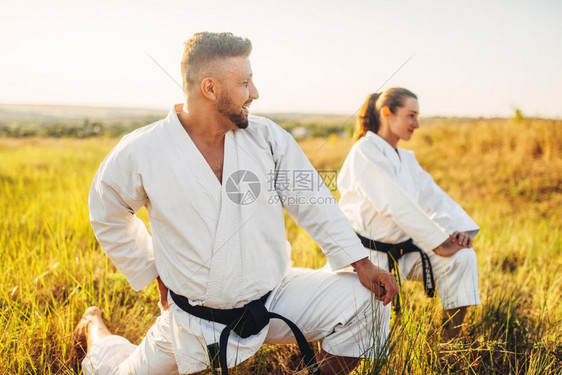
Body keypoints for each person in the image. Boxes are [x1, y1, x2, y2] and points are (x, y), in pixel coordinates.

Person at [74, 32, 399, 375]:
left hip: (274, 297)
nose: (255, 93)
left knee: (368, 303)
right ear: (210, 88)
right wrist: (152, 268)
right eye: (245, 83)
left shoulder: (267, 138)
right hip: (194, 322)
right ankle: (95, 331)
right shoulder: (143, 150)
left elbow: (312, 200)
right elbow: (107, 213)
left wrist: (360, 262)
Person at [337, 88, 480, 340]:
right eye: (411, 115)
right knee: (366, 333)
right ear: (387, 113)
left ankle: (450, 339)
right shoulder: (364, 151)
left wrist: (455, 232)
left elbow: (434, 197)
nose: (417, 123)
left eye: (417, 116)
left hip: (405, 251)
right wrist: (438, 242)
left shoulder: (406, 158)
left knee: (462, 258)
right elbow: (396, 203)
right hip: (368, 257)